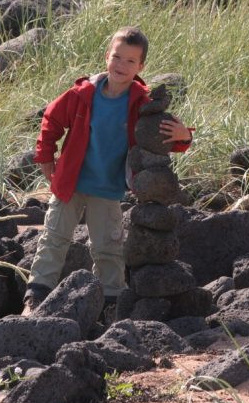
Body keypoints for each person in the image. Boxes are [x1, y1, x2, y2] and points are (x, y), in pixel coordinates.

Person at [22, 26, 193, 315]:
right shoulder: (83, 94)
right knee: (54, 238)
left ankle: (111, 304)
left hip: (108, 189)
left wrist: (184, 136)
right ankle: (36, 297)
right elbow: (51, 118)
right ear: (106, 57)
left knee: (108, 247)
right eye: (117, 57)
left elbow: (163, 138)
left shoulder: (142, 102)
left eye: (130, 61)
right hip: (70, 183)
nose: (121, 65)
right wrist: (45, 158)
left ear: (141, 67)